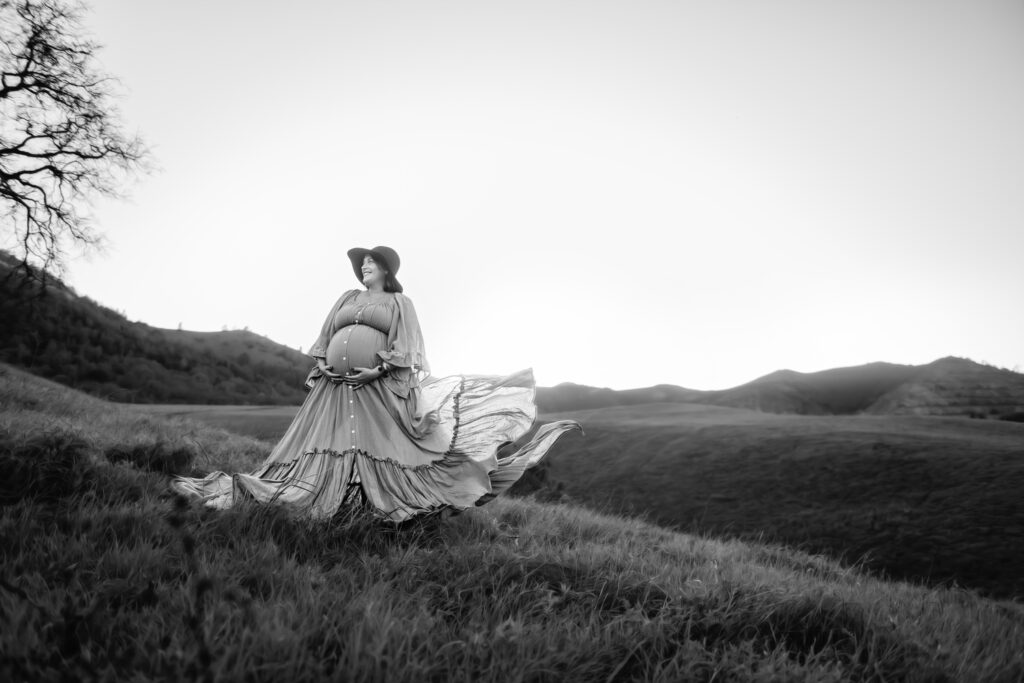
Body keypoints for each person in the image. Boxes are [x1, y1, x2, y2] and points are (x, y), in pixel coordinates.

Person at [172, 246, 580, 521]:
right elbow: (325, 335)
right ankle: (327, 500)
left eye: (370, 262)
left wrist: (379, 371)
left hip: (375, 386)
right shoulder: (347, 297)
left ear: (385, 269)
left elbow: (408, 347)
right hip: (335, 387)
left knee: (376, 447)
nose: (363, 267)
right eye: (361, 263)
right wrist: (323, 365)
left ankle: (378, 507)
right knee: (329, 445)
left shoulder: (400, 303)